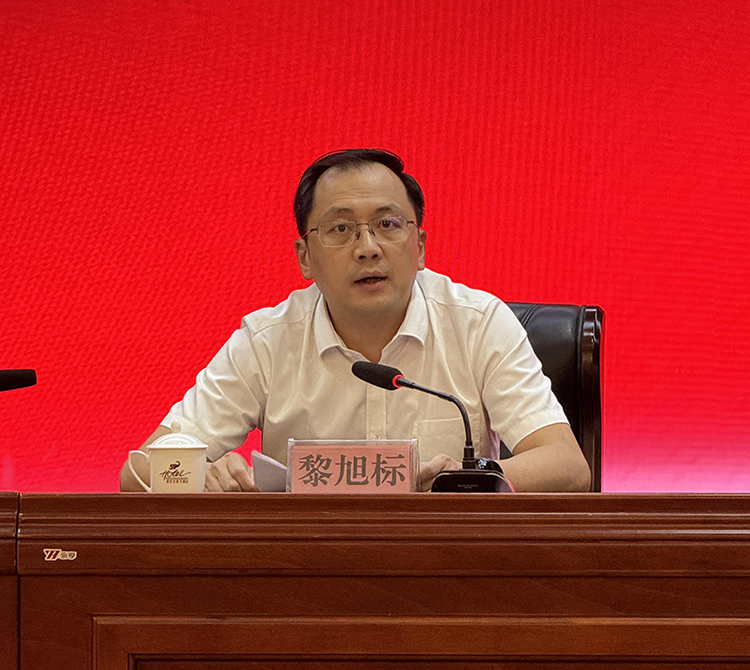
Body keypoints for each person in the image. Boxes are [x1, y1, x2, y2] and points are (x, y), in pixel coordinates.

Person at [120, 149, 590, 493]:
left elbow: (567, 465)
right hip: (309, 566)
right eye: (341, 228)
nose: (367, 248)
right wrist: (201, 474)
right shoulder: (267, 341)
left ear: (420, 247)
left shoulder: (479, 323)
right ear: (305, 256)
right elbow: (138, 470)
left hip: (446, 560)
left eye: (388, 224)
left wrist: (455, 483)